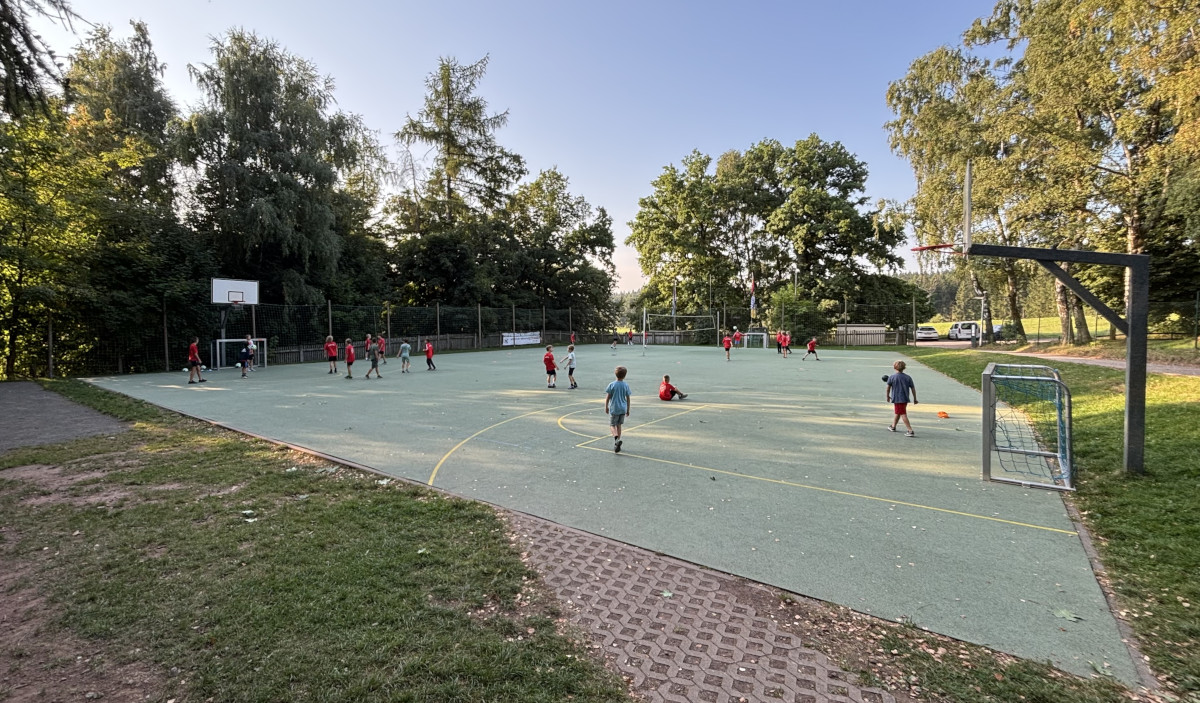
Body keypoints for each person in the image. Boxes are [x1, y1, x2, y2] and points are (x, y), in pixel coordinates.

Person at [886, 360, 918, 437]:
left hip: (897, 399)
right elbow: (913, 388)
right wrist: (915, 398)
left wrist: (887, 396)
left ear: (894, 367)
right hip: (905, 398)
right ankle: (893, 426)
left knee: (903, 413)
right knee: (898, 412)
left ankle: (910, 430)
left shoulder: (892, 377)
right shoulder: (908, 377)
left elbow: (888, 388)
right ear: (904, 368)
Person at [605, 366, 631, 454]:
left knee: (612, 425)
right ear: (625, 376)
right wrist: (628, 409)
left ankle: (616, 438)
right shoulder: (626, 385)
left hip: (614, 408)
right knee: (619, 425)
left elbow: (608, 397)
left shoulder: (612, 384)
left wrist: (606, 406)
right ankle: (617, 443)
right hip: (622, 408)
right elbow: (628, 398)